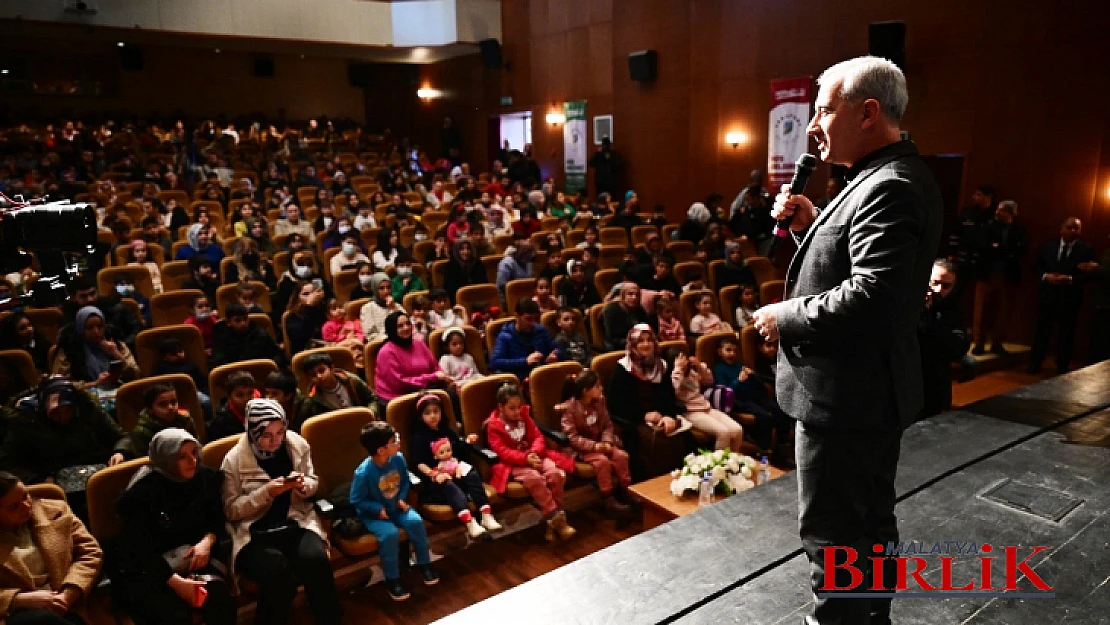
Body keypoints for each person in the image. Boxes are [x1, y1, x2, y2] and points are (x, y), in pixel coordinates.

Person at [752, 56, 942, 625]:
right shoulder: (884, 176)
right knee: (868, 527)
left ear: (867, 113)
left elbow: (871, 297)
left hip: (847, 398)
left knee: (834, 538)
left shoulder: (888, 185)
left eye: (824, 110)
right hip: (867, 392)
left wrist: (784, 315)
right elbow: (858, 261)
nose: (813, 125)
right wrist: (810, 221)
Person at [221, 399, 342, 625]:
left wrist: (305, 486)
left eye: (280, 432)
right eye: (267, 435)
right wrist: (267, 492)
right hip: (255, 533)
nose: (275, 441)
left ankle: (330, 619)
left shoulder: (296, 444)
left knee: (316, 560)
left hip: (295, 521)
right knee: (278, 573)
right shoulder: (234, 460)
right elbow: (231, 510)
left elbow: (313, 480)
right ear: (253, 431)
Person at [112, 429, 236, 625]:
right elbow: (140, 550)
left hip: (194, 559)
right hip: (152, 570)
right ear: (166, 459)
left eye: (194, 453)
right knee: (173, 616)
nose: (192, 461)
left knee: (219, 599)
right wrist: (177, 584)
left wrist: (207, 541)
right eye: (182, 457)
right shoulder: (140, 494)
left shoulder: (205, 478)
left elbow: (216, 518)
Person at [351, 422, 439, 602]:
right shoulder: (363, 472)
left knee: (415, 522)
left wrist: (402, 497)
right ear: (381, 450)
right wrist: (376, 509)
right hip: (375, 514)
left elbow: (405, 481)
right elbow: (356, 500)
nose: (398, 442)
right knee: (389, 534)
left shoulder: (398, 458)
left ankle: (424, 564)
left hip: (397, 507)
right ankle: (392, 578)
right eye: (393, 440)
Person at [0, 471, 102, 625]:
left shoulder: (55, 510)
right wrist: (18, 599)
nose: (26, 505)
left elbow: (90, 553)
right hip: (15, 614)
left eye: (25, 496)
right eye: (14, 507)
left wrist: (68, 595)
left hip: (66, 600)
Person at [485, 383, 576, 541]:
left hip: (535, 456)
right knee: (534, 478)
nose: (517, 411)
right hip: (513, 464)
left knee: (555, 473)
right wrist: (525, 458)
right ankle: (559, 520)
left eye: (519, 407)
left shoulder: (524, 416)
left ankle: (552, 521)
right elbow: (502, 451)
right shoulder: (493, 426)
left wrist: (533, 452)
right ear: (501, 407)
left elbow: (538, 437)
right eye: (512, 408)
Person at [408, 392, 501, 539]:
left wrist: (467, 442)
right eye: (427, 413)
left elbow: (457, 448)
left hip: (454, 469)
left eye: (436, 411)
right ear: (420, 416)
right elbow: (419, 463)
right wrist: (435, 474)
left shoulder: (447, 430)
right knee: (448, 484)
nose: (433, 416)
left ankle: (486, 514)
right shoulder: (419, 437)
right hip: (435, 477)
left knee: (472, 474)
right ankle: (470, 522)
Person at [604, 324, 688, 481]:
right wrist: (644, 416)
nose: (646, 344)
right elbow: (616, 405)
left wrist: (668, 416)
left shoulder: (661, 365)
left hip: (660, 416)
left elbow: (668, 396)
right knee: (646, 444)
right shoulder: (623, 369)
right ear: (633, 346)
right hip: (634, 419)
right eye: (640, 341)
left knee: (684, 437)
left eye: (649, 340)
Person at [556, 370, 633, 517]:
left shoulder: (600, 402)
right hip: (580, 449)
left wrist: (606, 441)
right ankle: (608, 498)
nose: (601, 389)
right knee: (602, 462)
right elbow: (572, 438)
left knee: (620, 456)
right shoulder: (569, 409)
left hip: (600, 443)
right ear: (586, 391)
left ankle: (625, 490)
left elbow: (607, 425)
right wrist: (594, 446)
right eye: (597, 386)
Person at [1028, 217, 1096, 374]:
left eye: (1076, 228)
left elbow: (1091, 274)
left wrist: (1071, 279)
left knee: (1066, 333)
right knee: (1042, 331)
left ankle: (1062, 366)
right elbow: (1036, 267)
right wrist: (1046, 276)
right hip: (1048, 296)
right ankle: (1035, 363)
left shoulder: (1086, 249)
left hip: (1070, 298)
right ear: (1061, 229)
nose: (1073, 231)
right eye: (1070, 228)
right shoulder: (1048, 247)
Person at [970, 200, 1027, 356]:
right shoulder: (987, 227)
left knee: (1002, 311)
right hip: (986, 274)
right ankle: (979, 343)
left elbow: (1019, 251)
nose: (997, 212)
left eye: (1002, 210)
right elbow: (984, 247)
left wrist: (999, 249)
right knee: (981, 310)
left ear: (1011, 213)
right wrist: (1002, 251)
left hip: (1007, 276)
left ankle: (997, 343)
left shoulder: (1019, 231)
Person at [918, 260, 970, 419]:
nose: (939, 290)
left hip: (937, 379)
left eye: (946, 286)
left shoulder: (954, 310)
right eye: (935, 283)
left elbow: (959, 348)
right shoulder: (910, 305)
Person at [667, 348, 745, 452]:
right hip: (690, 412)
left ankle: (732, 461)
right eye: (680, 359)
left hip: (705, 407)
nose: (684, 362)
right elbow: (673, 391)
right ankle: (719, 466)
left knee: (737, 430)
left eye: (685, 358)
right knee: (724, 433)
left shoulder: (692, 372)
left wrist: (699, 366)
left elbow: (709, 381)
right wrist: (678, 370)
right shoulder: (672, 376)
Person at [373, 312, 454, 406]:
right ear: (392, 329)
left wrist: (443, 378)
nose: (406, 328)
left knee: (451, 394)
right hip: (398, 398)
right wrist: (433, 378)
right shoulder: (386, 352)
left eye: (408, 323)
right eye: (400, 326)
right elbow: (399, 384)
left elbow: (435, 367)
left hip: (424, 390)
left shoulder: (419, 344)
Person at [52, 306, 140, 390]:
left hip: (118, 391)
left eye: (100, 326)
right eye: (89, 328)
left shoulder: (115, 343)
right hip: (85, 396)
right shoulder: (69, 348)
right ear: (81, 329)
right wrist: (94, 384)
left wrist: (116, 354)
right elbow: (60, 384)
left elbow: (136, 374)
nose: (96, 331)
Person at [113, 383, 197, 460]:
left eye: (173, 402)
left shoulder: (185, 420)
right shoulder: (141, 432)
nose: (171, 407)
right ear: (150, 409)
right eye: (163, 404)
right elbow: (144, 462)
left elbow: (197, 448)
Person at [296, 352, 375, 425]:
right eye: (313, 375)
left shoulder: (351, 381)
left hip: (362, 423)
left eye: (322, 371)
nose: (319, 376)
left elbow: (372, 399)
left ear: (332, 369)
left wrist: (370, 414)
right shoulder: (312, 399)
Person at [490, 300, 561, 381]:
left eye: (535, 319)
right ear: (517, 316)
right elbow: (495, 362)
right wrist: (525, 361)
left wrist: (554, 356)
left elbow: (557, 349)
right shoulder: (505, 336)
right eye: (528, 319)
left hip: (543, 374)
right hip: (520, 379)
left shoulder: (541, 330)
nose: (533, 323)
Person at [210, 303, 284, 368]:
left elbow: (278, 355)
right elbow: (219, 363)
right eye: (237, 320)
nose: (243, 323)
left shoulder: (260, 334)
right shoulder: (221, 337)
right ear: (228, 322)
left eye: (245, 319)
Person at [208, 371, 260, 442]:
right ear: (229, 397)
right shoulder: (220, 424)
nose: (246, 399)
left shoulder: (262, 410)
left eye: (250, 393)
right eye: (240, 395)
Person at [601, 283, 649, 351]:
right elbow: (613, 339)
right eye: (630, 294)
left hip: (640, 344)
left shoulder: (640, 309)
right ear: (622, 296)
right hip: (618, 348)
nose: (634, 297)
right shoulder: (611, 310)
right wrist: (636, 341)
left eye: (637, 295)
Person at [284, 280, 328, 355]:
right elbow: (303, 338)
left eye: (313, 293)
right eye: (306, 294)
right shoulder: (292, 317)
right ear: (298, 299)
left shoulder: (323, 310)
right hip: (306, 354)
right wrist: (309, 306)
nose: (311, 296)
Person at [358, 273, 404, 341]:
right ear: (375, 290)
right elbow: (370, 335)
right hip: (381, 344)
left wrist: (394, 308)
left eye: (388, 287)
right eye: (381, 288)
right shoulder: (367, 308)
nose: (386, 291)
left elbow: (406, 324)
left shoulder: (396, 305)